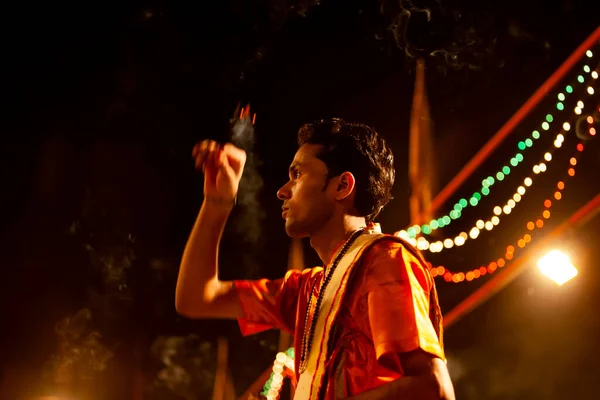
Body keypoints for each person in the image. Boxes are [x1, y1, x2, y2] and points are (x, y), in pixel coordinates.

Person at [176, 118, 455, 400]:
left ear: (343, 185)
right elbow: (197, 298)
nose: (282, 191)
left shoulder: (384, 261)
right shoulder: (307, 290)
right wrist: (217, 203)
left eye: (297, 175)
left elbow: (433, 389)